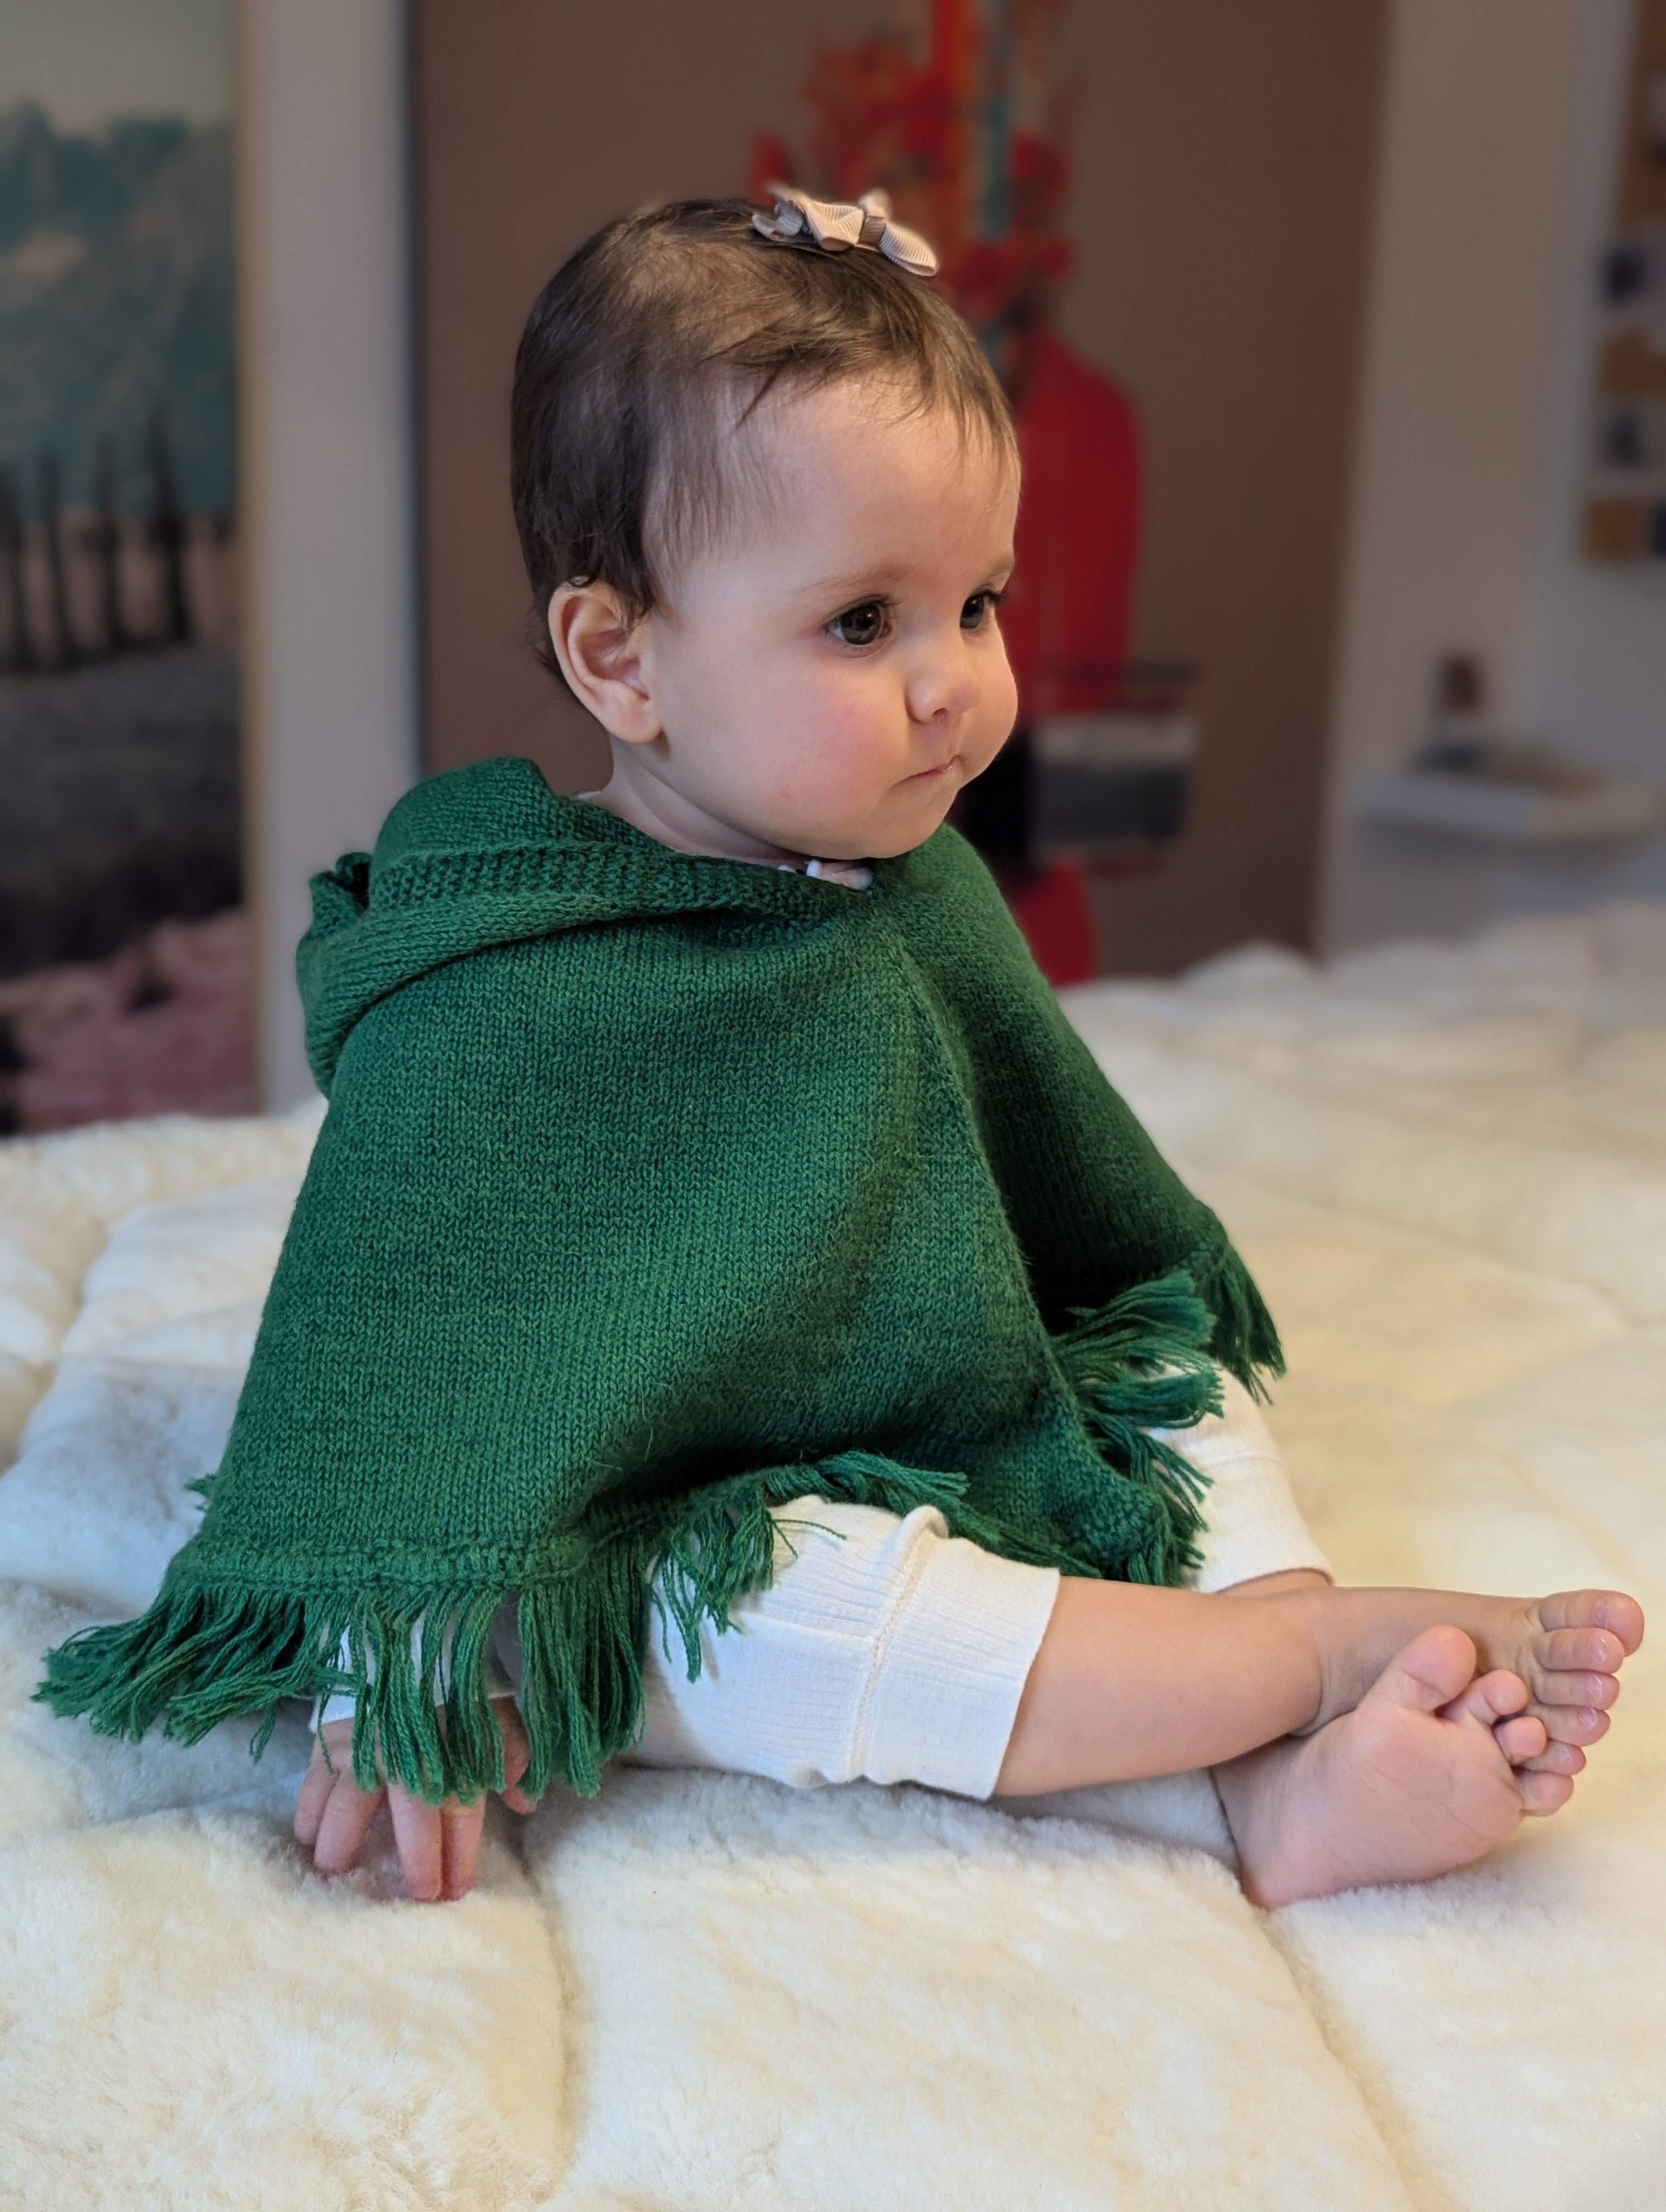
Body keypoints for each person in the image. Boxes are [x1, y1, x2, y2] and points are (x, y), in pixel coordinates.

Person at [40, 192, 1643, 1908]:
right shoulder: (511, 956)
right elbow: (404, 1350)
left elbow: (1074, 1232)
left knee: (1176, 1385)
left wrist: (1116, 1356)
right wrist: (400, 1660)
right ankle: (1306, 1662)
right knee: (764, 1621)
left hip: (941, 1409)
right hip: (658, 1504)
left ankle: (1278, 1775)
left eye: (981, 603)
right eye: (866, 623)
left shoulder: (912, 889)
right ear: (620, 656)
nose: (957, 681)